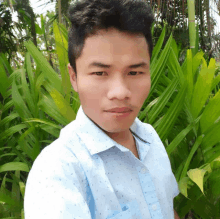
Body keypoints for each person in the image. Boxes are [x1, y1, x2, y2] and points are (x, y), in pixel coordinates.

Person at [24, 0, 180, 218]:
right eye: (100, 73)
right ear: (74, 77)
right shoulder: (58, 172)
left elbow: (166, 208)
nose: (120, 92)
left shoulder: (150, 138)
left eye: (134, 73)